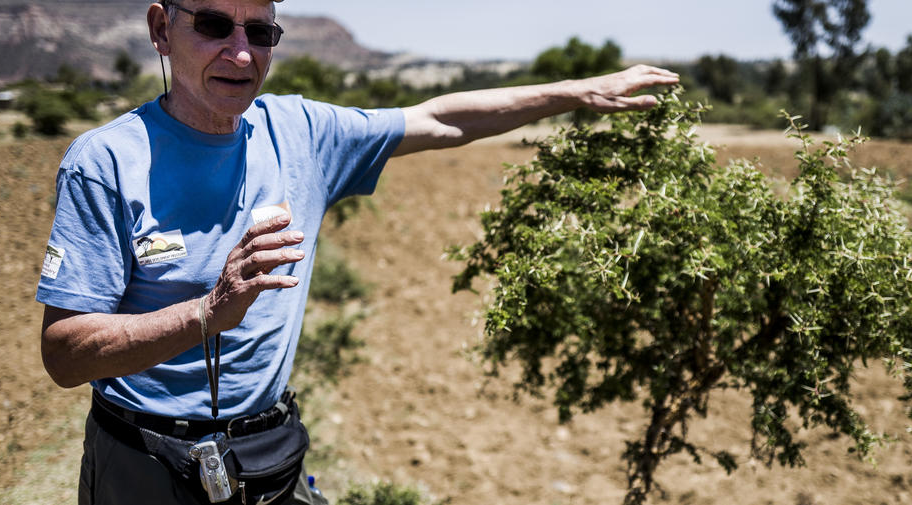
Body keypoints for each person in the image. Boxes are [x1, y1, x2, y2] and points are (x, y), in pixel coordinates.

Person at [36, 0, 679, 503]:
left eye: (260, 31)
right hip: (141, 462)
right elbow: (64, 355)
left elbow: (440, 119)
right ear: (161, 29)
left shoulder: (302, 132)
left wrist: (575, 93)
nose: (241, 51)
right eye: (213, 25)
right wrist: (208, 312)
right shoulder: (107, 162)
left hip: (265, 456)